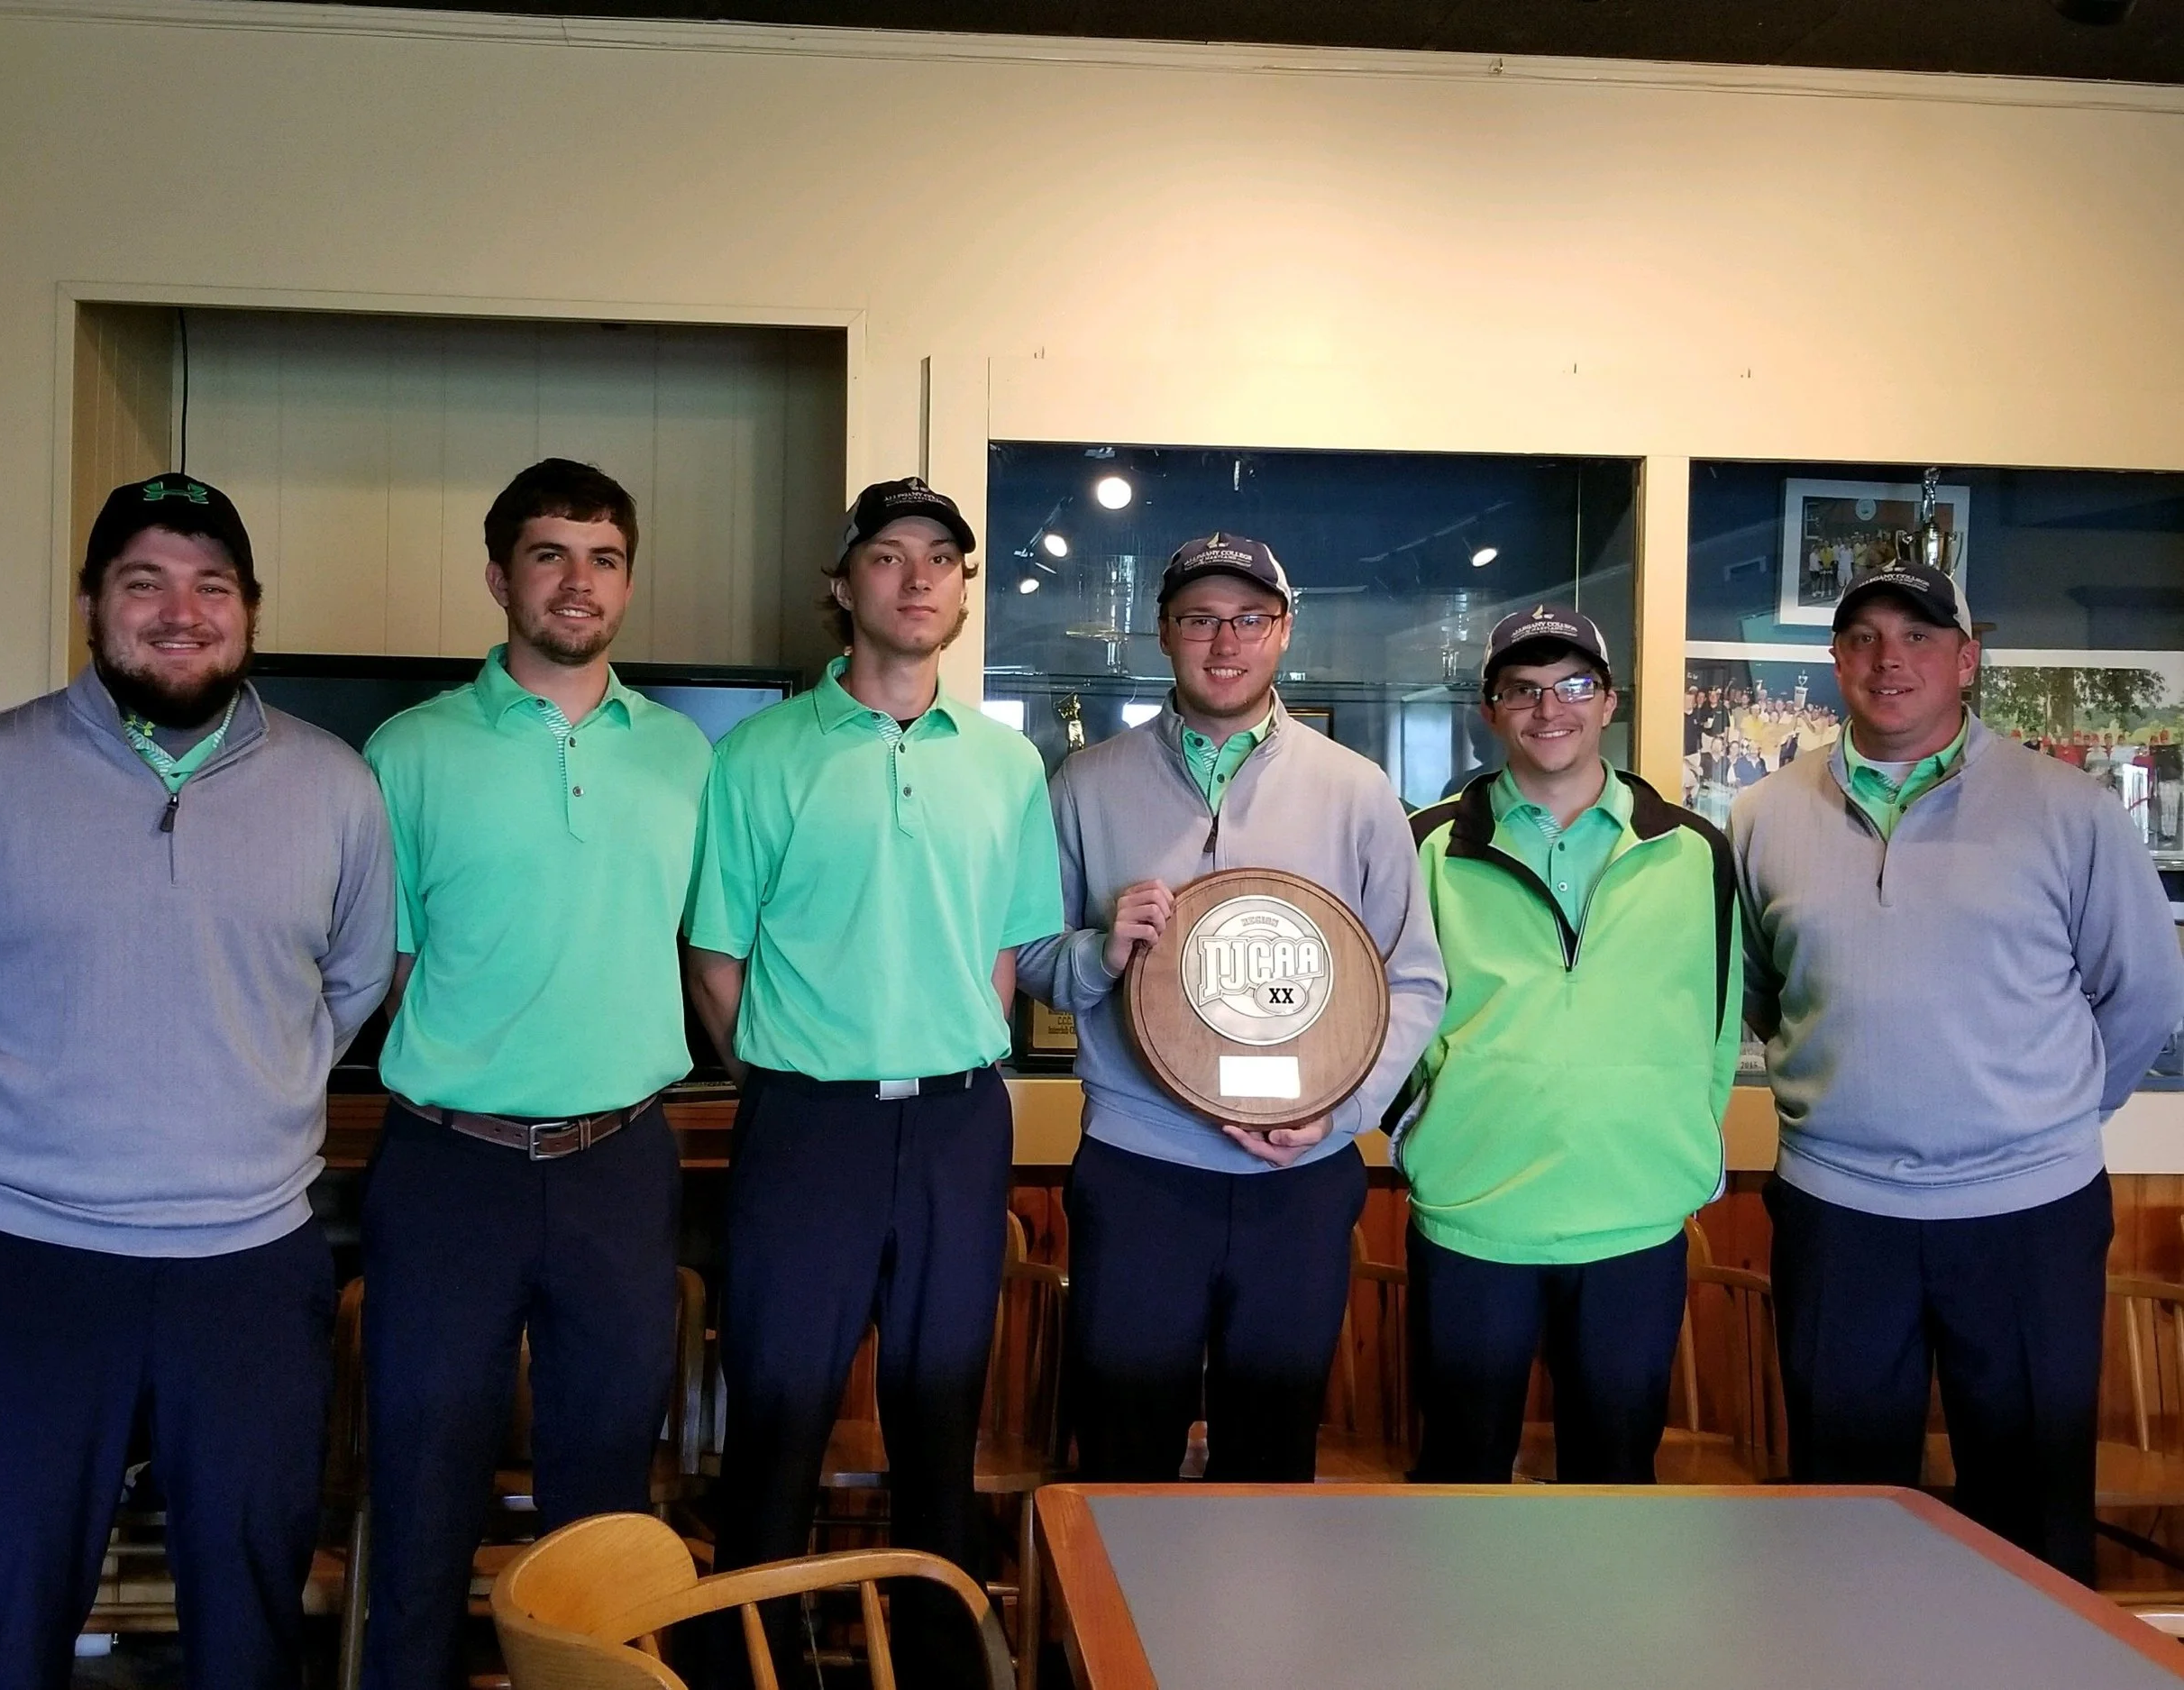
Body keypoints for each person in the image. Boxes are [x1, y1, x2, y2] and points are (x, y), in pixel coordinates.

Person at [0, 475, 394, 1690]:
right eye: (145, 582)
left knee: (249, 1625)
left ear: (250, 608)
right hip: (32, 1265)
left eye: (212, 585)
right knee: (5, 1618)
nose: (181, 612)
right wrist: (4, 1099)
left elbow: (352, 981)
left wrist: (246, 1084)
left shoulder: (336, 787)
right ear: (91, 601)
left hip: (250, 1271)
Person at [1731, 560, 2184, 1585]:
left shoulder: (2067, 808)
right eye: (1863, 638)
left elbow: (2146, 991)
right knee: (1842, 1515)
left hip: (2029, 1216)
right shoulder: (1763, 814)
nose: (1889, 660)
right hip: (1839, 1213)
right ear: (1835, 660)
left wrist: (2043, 1118)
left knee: (2033, 1520)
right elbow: (1761, 988)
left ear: (1967, 659)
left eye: (1919, 636)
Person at [685, 477, 1062, 1685]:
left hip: (958, 1121)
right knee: (778, 1423)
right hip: (807, 1126)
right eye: (889, 555)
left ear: (962, 590)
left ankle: (941, 1666)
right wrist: (797, 1077)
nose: (917, 577)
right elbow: (716, 956)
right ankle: (750, 1666)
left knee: (940, 1429)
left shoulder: (1007, 765)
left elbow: (1004, 950)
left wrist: (947, 1045)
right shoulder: (758, 755)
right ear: (843, 585)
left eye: (941, 559)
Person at [359, 459, 712, 1689]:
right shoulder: (408, 750)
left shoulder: (685, 756)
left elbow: (710, 941)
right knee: (423, 1477)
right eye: (549, 553)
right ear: (499, 576)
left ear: (628, 582)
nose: (578, 580)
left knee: (604, 1495)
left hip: (620, 1162)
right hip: (448, 1166)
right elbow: (391, 963)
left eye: (604, 557)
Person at [1015, 534, 1443, 1483]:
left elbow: (1413, 979)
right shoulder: (1085, 783)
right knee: (1122, 1450)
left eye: (1249, 619)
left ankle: (1258, 1598)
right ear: (1163, 633)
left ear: (1283, 631)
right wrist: (1101, 949)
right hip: (1140, 1168)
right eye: (1200, 619)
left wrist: (1345, 1108)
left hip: (1303, 1176)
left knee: (1272, 1456)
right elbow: (1034, 960)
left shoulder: (1355, 790)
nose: (1225, 642)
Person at [1399, 607, 1741, 1484]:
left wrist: (1684, 1144)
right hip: (1473, 1215)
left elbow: (1716, 1020)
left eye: (1574, 685)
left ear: (1609, 701)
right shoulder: (1428, 846)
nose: (1549, 709)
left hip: (1635, 1217)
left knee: (1615, 1484)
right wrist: (1418, 1130)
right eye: (1523, 689)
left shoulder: (1694, 851)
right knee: (1458, 1484)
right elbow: (1390, 1014)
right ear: (1490, 709)